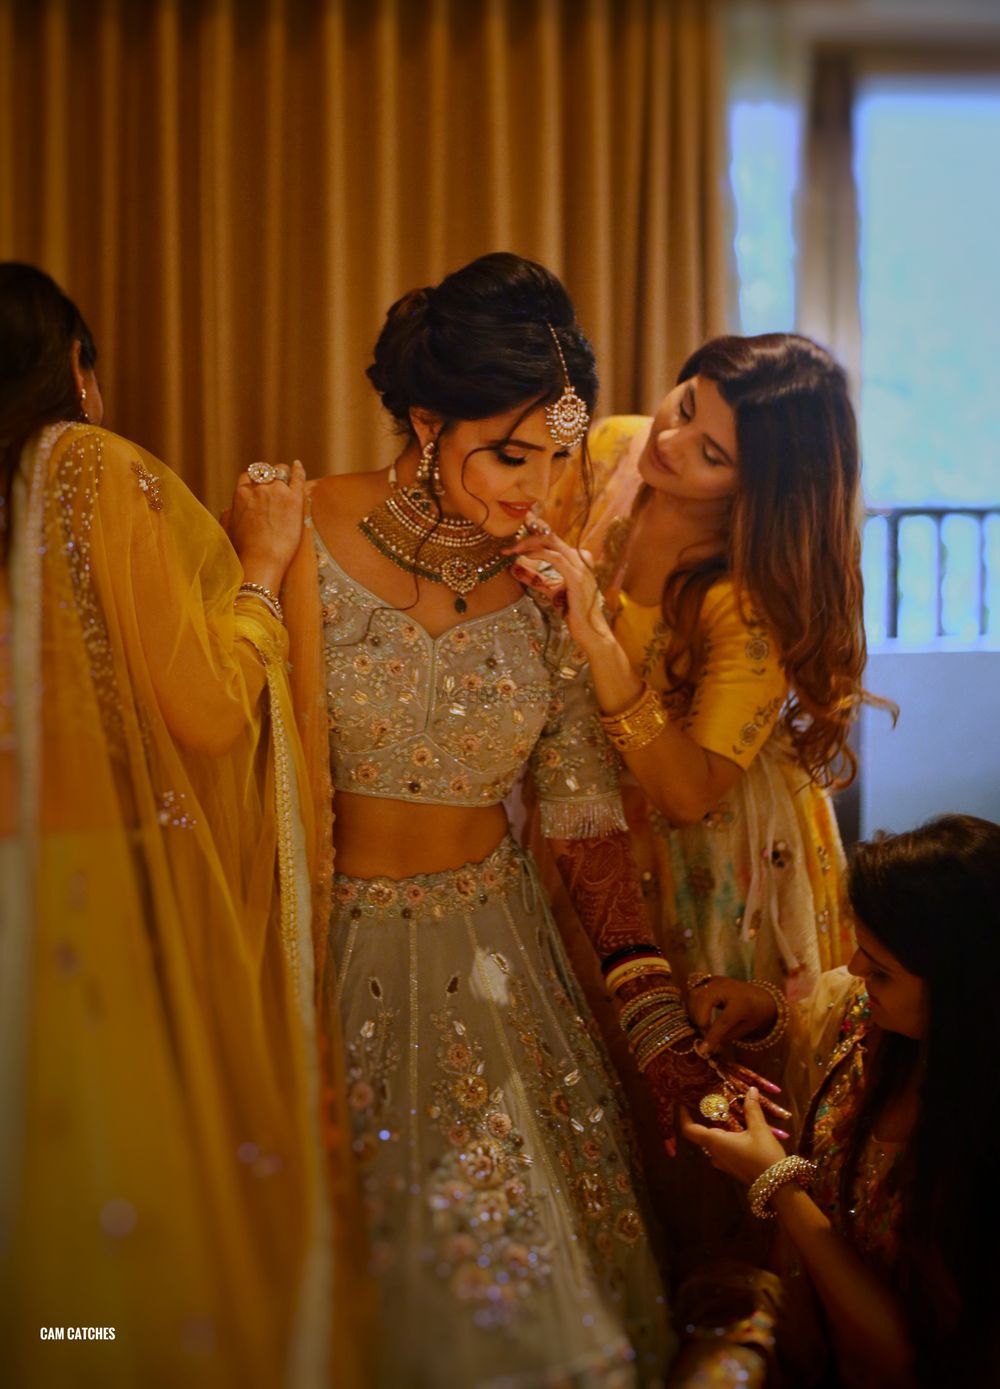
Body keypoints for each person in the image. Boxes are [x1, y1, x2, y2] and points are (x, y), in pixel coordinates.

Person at [278, 252, 780, 1388]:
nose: (536, 488)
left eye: (557, 456)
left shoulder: (552, 588)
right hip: (324, 953)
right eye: (510, 455)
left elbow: (585, 831)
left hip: (503, 968)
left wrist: (663, 1049)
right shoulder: (300, 529)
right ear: (423, 420)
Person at [0, 263, 367, 1388]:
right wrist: (258, 567)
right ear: (78, 370)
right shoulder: (87, 470)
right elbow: (207, 713)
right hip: (84, 904)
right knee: (103, 1200)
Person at [515, 333, 889, 1001]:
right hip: (581, 795)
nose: (671, 443)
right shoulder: (613, 446)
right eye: (686, 405)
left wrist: (598, 639)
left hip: (705, 855)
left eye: (712, 454)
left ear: (761, 488)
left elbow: (691, 794)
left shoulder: (750, 598)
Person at [679, 814, 1000, 1388]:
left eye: (879, 970)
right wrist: (760, 1007)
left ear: (964, 991)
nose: (855, 971)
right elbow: (815, 1018)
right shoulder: (872, 1021)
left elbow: (900, 1358)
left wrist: (776, 1182)